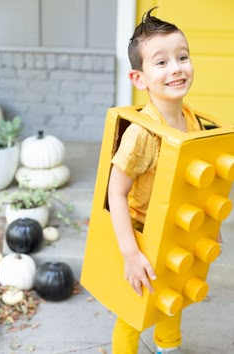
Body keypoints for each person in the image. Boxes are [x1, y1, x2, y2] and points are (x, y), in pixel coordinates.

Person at [108, 7, 222, 354]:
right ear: (139, 79)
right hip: (143, 231)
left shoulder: (193, 121)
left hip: (178, 227)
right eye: (161, 62)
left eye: (182, 57)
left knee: (176, 295)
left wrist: (207, 225)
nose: (176, 68)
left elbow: (198, 182)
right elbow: (115, 192)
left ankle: (168, 347)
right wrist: (130, 253)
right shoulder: (142, 134)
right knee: (135, 307)